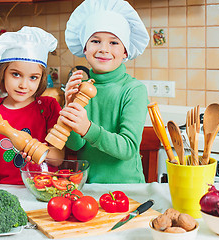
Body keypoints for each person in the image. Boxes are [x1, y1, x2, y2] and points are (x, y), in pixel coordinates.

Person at [0, 26, 64, 185]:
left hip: (44, 188)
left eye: (33, 78)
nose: (23, 85)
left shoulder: (48, 107)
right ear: (2, 73)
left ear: (41, 78)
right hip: (7, 190)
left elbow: (58, 159)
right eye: (16, 74)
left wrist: (34, 148)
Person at [60, 0, 150, 183]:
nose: (104, 49)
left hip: (128, 189)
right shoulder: (81, 87)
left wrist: (87, 128)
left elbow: (127, 148)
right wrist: (69, 106)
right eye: (95, 41)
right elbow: (75, 145)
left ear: (125, 51)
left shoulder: (133, 90)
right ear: (85, 48)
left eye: (114, 42)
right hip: (88, 186)